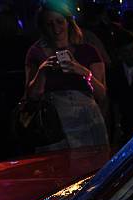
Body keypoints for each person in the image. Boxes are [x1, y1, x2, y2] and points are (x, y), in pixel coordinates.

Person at [24, 0, 108, 150]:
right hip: (53, 124)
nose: (56, 29)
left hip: (86, 119)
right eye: (49, 24)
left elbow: (101, 93)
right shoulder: (36, 52)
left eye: (59, 22)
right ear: (43, 27)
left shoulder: (88, 50)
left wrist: (83, 71)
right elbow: (31, 96)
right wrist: (42, 72)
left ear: (68, 22)